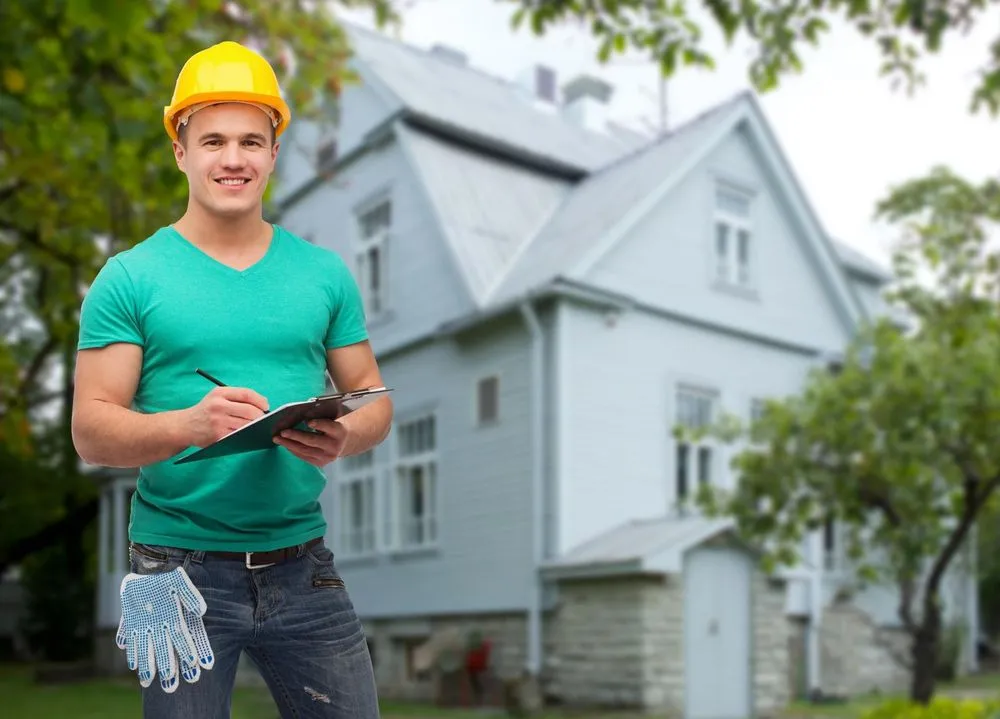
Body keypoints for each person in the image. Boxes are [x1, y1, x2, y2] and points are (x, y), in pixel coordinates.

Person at [71, 40, 393, 718]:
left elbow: (374, 398)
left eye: (252, 140)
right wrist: (190, 424)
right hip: (174, 569)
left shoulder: (324, 273)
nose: (234, 158)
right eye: (212, 139)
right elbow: (92, 430)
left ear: (274, 154)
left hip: (304, 564)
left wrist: (343, 435)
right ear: (180, 150)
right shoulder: (130, 278)